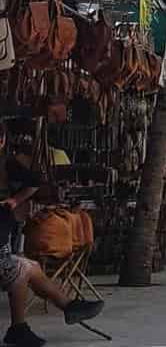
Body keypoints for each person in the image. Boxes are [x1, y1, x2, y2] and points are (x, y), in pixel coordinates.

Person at [0, 127, 103, 347]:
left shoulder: (7, 165)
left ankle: (68, 307)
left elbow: (36, 180)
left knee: (31, 266)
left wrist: (15, 200)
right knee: (21, 270)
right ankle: (18, 329)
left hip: (2, 246)